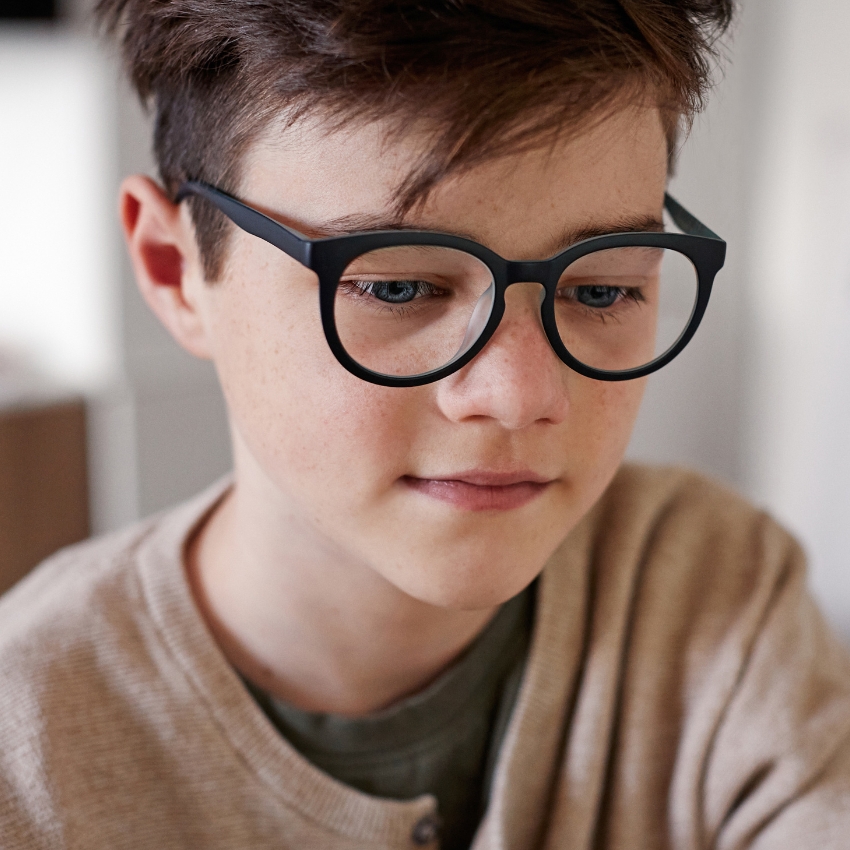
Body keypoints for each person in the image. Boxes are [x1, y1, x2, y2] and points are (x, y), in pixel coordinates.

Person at [2, 1, 850, 847]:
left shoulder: (712, 588)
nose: (520, 395)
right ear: (176, 269)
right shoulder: (27, 756)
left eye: (601, 289)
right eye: (399, 287)